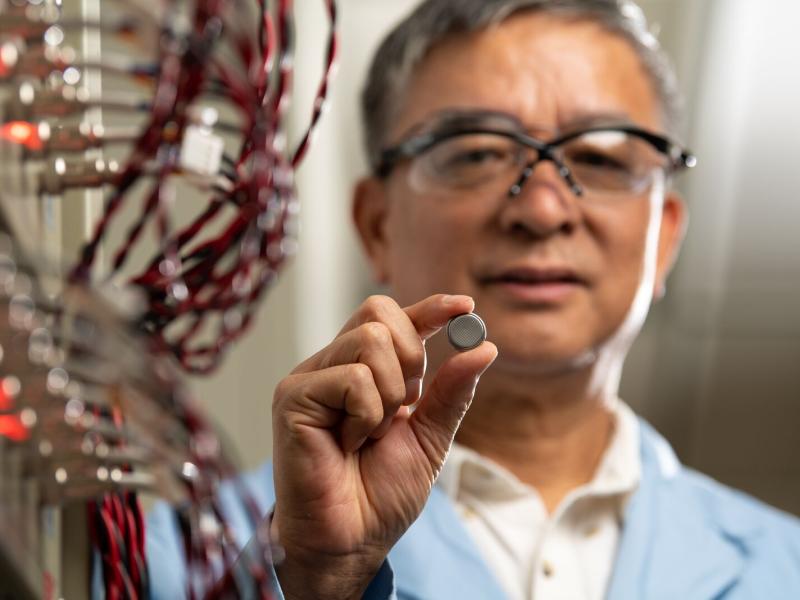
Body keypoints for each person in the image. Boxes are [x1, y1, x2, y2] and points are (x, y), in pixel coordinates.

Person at [146, 0, 800, 598]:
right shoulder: (165, 559)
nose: (543, 210)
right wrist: (319, 578)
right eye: (478, 153)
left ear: (663, 238)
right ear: (377, 225)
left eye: (600, 158)